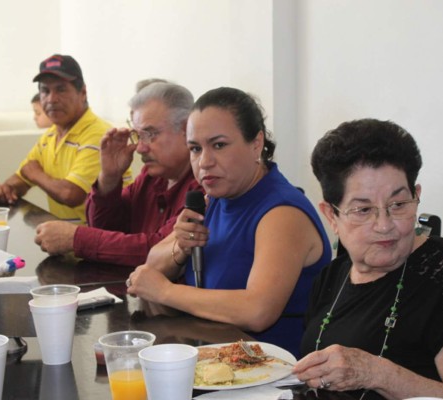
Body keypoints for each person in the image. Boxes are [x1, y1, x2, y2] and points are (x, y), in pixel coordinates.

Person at [293, 119, 443, 399]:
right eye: (363, 210)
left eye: (399, 205)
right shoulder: (333, 276)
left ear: (416, 196)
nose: (384, 225)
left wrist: (377, 374)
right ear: (332, 215)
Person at [126, 87, 332, 357]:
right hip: (217, 359)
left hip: (275, 376)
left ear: (256, 144)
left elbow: (257, 310)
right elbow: (148, 272)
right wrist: (181, 247)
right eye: (195, 149)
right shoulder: (214, 198)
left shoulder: (282, 212)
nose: (205, 162)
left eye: (219, 145)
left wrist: (166, 291)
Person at [34, 82, 201, 266]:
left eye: (150, 134)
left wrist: (76, 238)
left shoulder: (205, 183)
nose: (140, 148)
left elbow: (160, 249)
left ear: (187, 129)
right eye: (138, 136)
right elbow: (103, 227)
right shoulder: (151, 176)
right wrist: (109, 178)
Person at [0, 54, 130, 223]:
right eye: (45, 91)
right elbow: (21, 179)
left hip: (104, 243)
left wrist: (36, 175)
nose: (51, 99)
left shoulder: (99, 135)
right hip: (69, 242)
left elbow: (70, 194)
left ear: (83, 93)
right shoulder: (50, 136)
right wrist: (7, 188)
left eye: (61, 89)